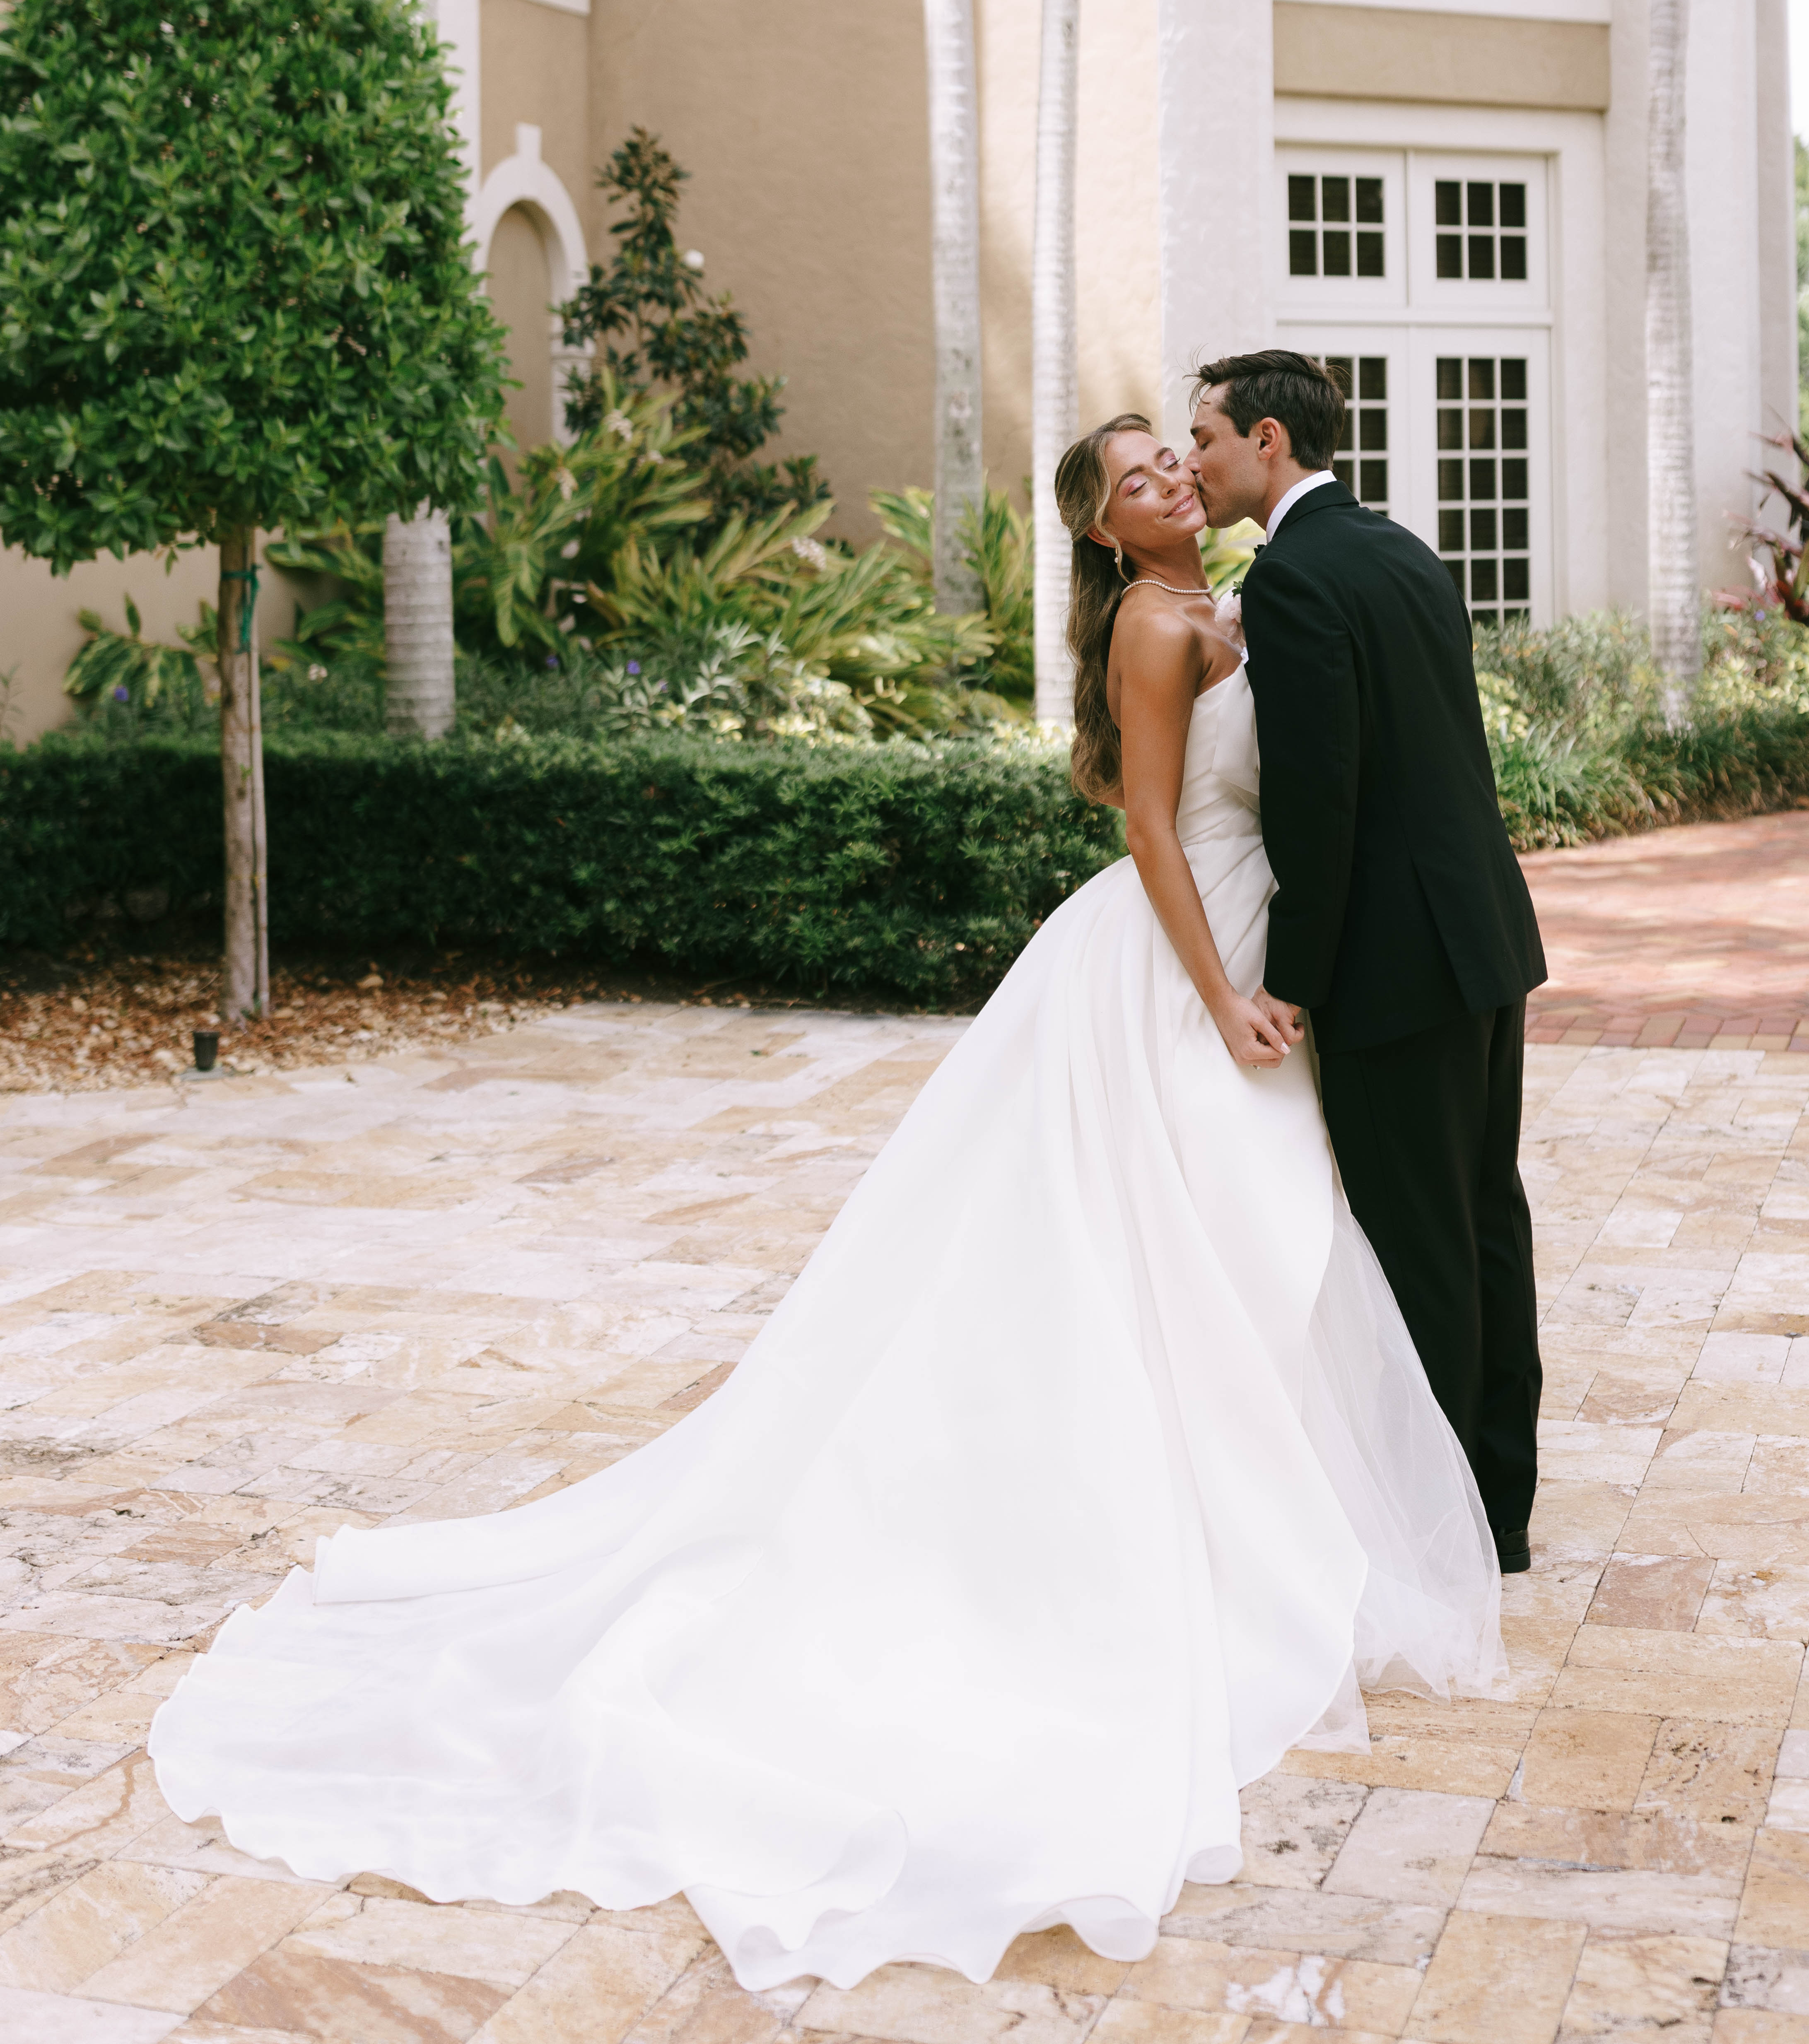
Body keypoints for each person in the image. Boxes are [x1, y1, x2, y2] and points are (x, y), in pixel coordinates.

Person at [150, 414, 1501, 1994]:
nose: (1169, 482)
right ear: (1104, 533)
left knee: (1258, 1236)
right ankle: (1189, 1542)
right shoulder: (1152, 626)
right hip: (1178, 958)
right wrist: (1218, 1000)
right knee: (1204, 1223)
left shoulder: (1247, 601)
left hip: (1256, 927)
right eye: (1135, 480)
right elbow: (1149, 823)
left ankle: (1270, 1520)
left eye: (1169, 460)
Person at [1187, 350, 1546, 1572]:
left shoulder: (1291, 578)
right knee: (1487, 1217)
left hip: (1396, 963)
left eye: (1209, 439)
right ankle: (1499, 1503)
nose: (1197, 462)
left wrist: (1294, 974)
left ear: (1270, 442)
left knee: (1419, 1240)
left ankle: (1443, 1529)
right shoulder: (1402, 548)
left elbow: (1318, 803)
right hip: (1485, 939)